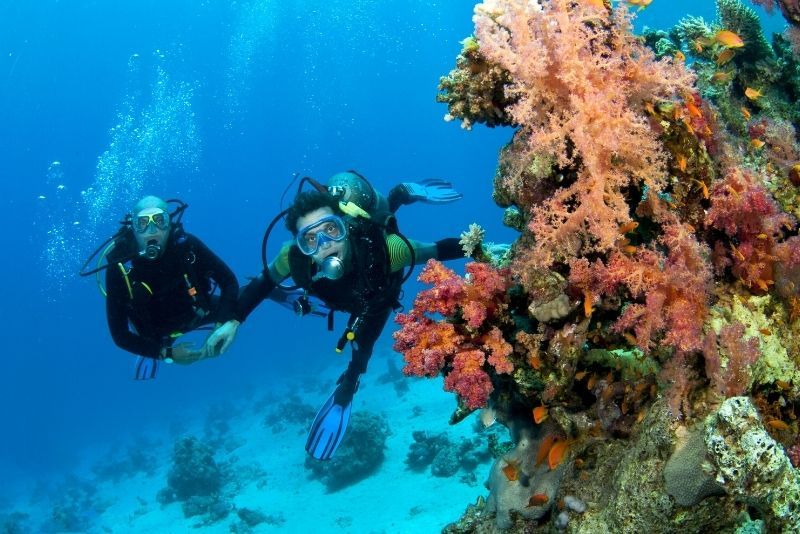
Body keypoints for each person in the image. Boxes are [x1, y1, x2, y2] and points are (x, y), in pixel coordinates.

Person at [236, 171, 465, 459]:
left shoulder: (388, 250)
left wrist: (483, 248)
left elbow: (436, 249)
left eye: (331, 230)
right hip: (353, 298)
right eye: (310, 239)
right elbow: (262, 283)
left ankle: (402, 192)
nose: (325, 245)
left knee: (383, 215)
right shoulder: (294, 260)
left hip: (377, 290)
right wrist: (233, 320)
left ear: (344, 225)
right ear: (302, 247)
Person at [103, 196, 241, 377]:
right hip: (155, 334)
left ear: (169, 224)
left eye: (159, 220)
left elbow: (229, 282)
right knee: (150, 343)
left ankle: (279, 288)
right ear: (133, 228)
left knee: (244, 300)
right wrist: (166, 354)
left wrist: (222, 323)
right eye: (143, 223)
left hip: (198, 312)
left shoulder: (187, 246)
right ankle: (152, 352)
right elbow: (119, 335)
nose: (152, 230)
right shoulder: (119, 267)